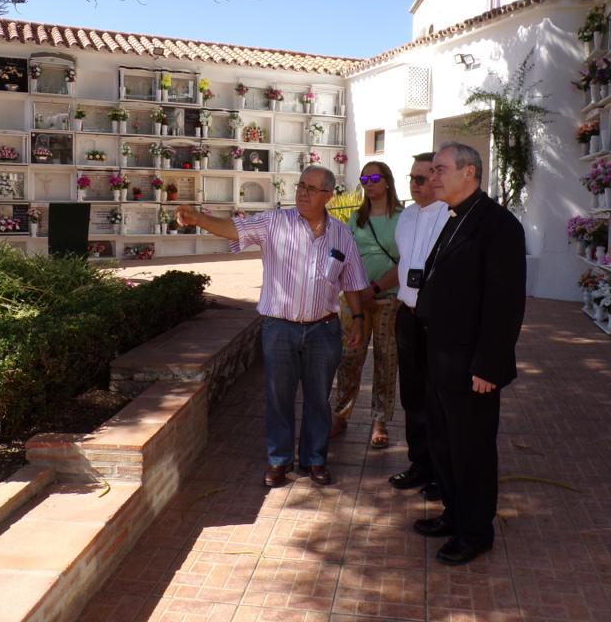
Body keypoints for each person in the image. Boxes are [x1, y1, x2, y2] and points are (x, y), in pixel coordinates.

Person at [175, 165, 369, 488]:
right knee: (279, 396)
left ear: (328, 196)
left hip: (324, 330)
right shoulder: (274, 223)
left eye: (312, 188)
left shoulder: (341, 234)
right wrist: (198, 219)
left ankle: (315, 459)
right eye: (301, 185)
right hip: (280, 328)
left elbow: (351, 282)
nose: (303, 193)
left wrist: (360, 320)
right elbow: (233, 229)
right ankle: (279, 460)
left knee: (318, 398)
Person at [412, 142, 526, 566]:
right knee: (443, 442)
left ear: (470, 173)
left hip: (472, 365)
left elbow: (505, 303)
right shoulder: (456, 217)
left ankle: (475, 532)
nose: (433, 177)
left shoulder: (498, 226)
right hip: (441, 355)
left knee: (472, 450)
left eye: (440, 169)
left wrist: (489, 365)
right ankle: (454, 514)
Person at [388, 152, 447, 499]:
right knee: (412, 396)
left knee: (438, 397)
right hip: (407, 316)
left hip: (437, 320)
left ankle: (442, 472)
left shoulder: (450, 216)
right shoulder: (407, 216)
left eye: (421, 179)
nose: (414, 184)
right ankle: (419, 464)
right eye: (411, 178)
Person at [331, 161, 402, 449]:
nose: (368, 183)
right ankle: (340, 414)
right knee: (349, 358)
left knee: (386, 361)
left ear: (387, 181)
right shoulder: (355, 219)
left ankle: (380, 421)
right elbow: (347, 258)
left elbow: (407, 260)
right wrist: (357, 292)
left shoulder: (403, 218)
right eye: (364, 178)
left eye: (374, 177)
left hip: (387, 299)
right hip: (355, 301)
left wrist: (376, 287)